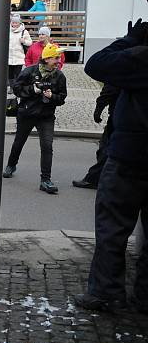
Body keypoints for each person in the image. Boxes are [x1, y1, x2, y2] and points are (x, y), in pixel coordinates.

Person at [73, 19, 148, 313]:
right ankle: (144, 298)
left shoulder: (142, 57)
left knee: (112, 228)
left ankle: (106, 292)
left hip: (131, 156)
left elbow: (97, 64)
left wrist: (129, 40)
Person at [2, 43, 67, 194]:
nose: (59, 60)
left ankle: (45, 180)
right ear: (47, 59)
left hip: (46, 117)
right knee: (19, 141)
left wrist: (53, 97)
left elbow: (62, 98)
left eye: (59, 57)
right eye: (56, 58)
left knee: (47, 147)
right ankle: (11, 165)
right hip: (27, 114)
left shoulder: (59, 76)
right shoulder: (30, 71)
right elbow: (17, 89)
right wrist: (33, 89)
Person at [72, 84, 119, 190]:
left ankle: (94, 178)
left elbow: (110, 88)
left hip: (121, 116)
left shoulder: (122, 70)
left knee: (106, 150)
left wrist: (98, 109)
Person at [7, 14, 32, 85]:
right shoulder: (8, 31)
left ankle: (17, 86)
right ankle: (12, 87)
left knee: (17, 73)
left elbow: (30, 42)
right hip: (9, 56)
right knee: (10, 74)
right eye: (13, 22)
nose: (14, 24)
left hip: (19, 56)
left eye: (16, 23)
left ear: (20, 23)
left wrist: (24, 41)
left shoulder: (24, 32)